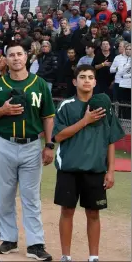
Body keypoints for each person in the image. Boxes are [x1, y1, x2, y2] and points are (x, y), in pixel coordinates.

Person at [0, 43, 55, 261]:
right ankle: (9, 239)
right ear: (6, 59)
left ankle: (35, 244)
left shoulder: (39, 84)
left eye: (19, 54)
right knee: (4, 195)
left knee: (31, 197)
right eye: (11, 55)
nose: (16, 58)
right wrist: (3, 110)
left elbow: (48, 116)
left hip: (32, 145)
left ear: (26, 57)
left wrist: (49, 145)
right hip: (4, 143)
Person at [53, 64, 124, 262]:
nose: (86, 80)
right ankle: (66, 255)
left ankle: (94, 257)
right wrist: (85, 121)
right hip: (69, 167)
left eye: (90, 77)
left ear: (95, 81)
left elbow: (110, 140)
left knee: (93, 213)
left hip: (95, 169)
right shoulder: (66, 105)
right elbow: (58, 136)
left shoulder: (104, 105)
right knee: (67, 211)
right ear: (75, 81)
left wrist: (111, 170)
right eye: (82, 76)